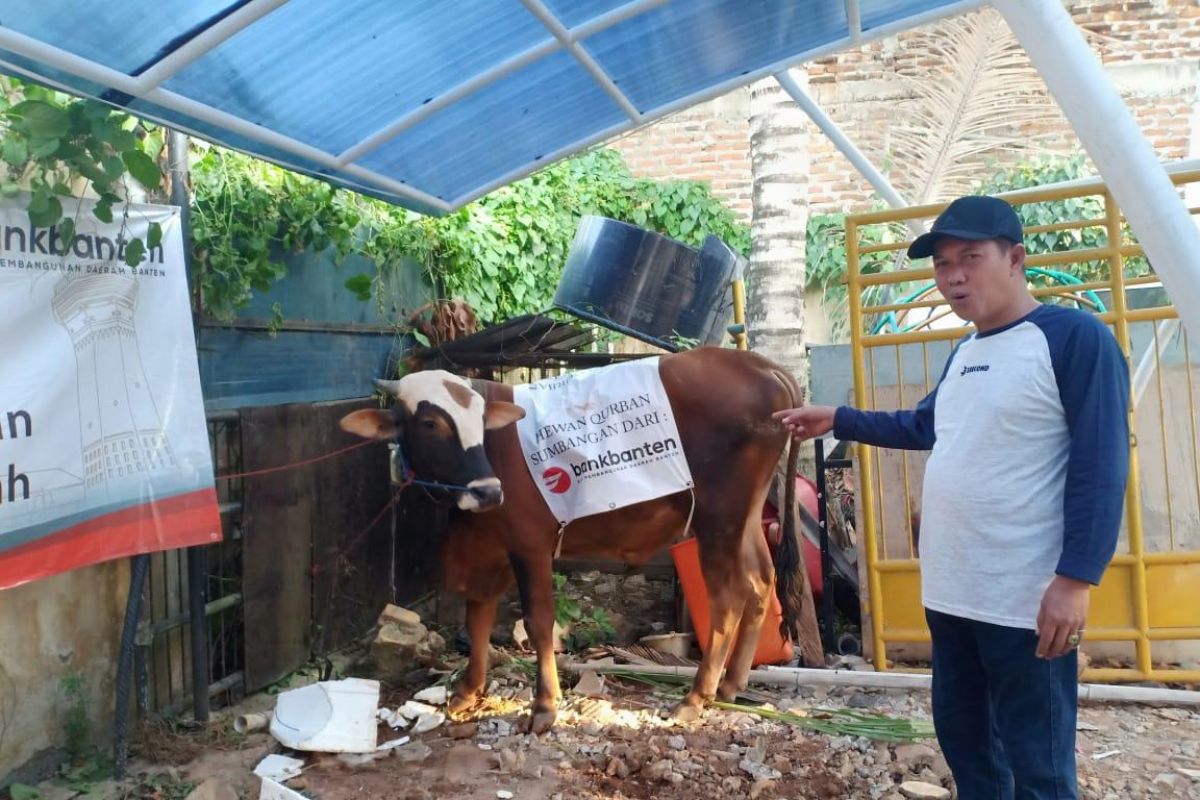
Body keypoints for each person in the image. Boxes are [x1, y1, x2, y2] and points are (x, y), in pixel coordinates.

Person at [776, 195, 1130, 800]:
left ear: (1015, 258)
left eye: (970, 257)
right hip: (953, 593)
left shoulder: (1073, 339)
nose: (953, 276)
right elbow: (926, 427)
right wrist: (838, 417)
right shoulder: (966, 351)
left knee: (1039, 763)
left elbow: (1103, 465)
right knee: (969, 749)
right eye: (941, 264)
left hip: (1024, 599)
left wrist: (1075, 580)